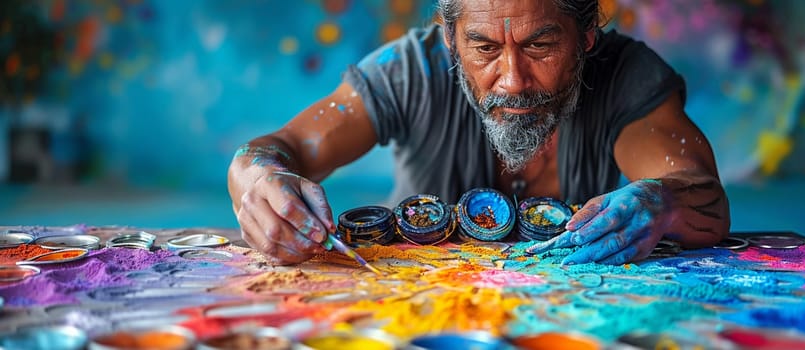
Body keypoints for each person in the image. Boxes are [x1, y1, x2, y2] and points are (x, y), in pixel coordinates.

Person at [228, 0, 730, 266]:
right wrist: (260, 181)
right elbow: (275, 150)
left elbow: (699, 190)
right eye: (484, 48)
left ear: (586, 37)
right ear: (450, 40)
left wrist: (663, 203)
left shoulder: (628, 75)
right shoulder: (408, 70)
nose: (512, 81)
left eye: (539, 46)